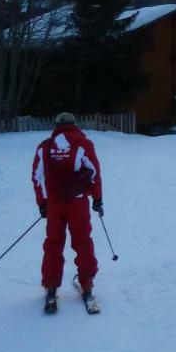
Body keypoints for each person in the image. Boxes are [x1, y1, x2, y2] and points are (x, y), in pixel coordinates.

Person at [31, 112, 102, 313]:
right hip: (78, 202)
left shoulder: (45, 147)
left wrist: (42, 202)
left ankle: (51, 287)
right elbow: (95, 173)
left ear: (56, 126)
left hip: (54, 203)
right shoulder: (83, 144)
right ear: (75, 125)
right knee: (83, 242)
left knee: (53, 243)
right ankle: (87, 285)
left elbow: (37, 177)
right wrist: (97, 199)